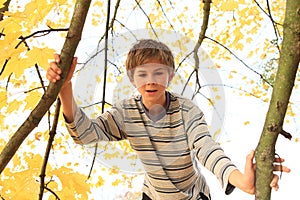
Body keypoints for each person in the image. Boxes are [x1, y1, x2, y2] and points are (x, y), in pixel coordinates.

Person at [46, 39, 290, 200]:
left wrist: (241, 180)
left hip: (193, 196)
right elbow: (84, 133)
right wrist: (65, 87)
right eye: (142, 74)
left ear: (170, 76)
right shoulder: (126, 113)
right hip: (153, 196)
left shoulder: (187, 111)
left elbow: (207, 148)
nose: (150, 80)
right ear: (132, 80)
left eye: (158, 73)